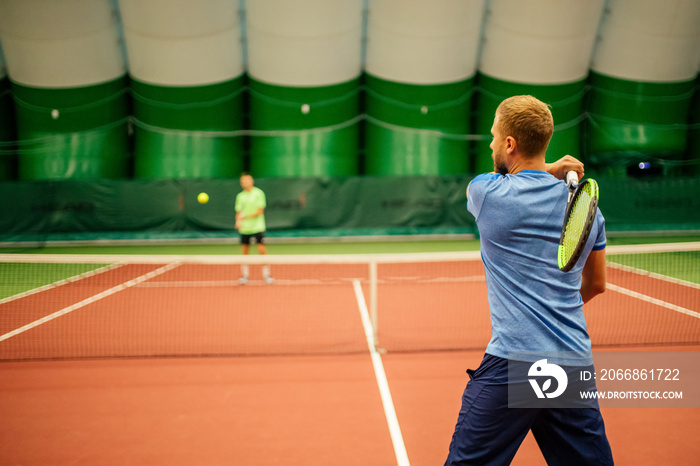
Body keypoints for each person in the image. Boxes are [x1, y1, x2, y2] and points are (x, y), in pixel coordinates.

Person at [444, 95, 613, 465]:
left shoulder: (486, 194)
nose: (490, 143)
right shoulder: (587, 210)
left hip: (513, 365)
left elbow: (516, 177)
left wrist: (548, 168)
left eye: (493, 136)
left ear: (509, 143)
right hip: (570, 363)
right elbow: (597, 284)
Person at [235, 173, 272, 284]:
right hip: (245, 229)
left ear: (251, 181)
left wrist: (245, 217)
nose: (244, 183)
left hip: (258, 227)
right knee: (245, 252)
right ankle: (245, 276)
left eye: (247, 180)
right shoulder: (240, 196)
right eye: (242, 181)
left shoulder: (259, 193)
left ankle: (267, 275)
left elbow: (259, 212)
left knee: (262, 251)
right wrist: (238, 221)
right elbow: (238, 212)